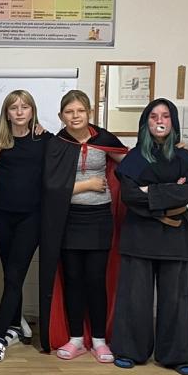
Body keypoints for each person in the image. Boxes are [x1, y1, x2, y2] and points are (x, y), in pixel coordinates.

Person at [111, 99, 188, 375]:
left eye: (165, 116)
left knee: (177, 299)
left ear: (173, 121)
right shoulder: (134, 158)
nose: (159, 121)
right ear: (145, 122)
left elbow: (187, 193)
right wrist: (167, 193)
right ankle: (129, 351)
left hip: (176, 236)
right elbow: (130, 196)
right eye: (153, 116)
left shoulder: (184, 157)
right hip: (139, 234)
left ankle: (179, 356)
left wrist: (149, 191)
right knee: (134, 297)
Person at [38, 91, 128, 361]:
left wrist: (170, 152)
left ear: (89, 112)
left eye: (80, 111)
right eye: (69, 112)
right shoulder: (57, 144)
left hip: (99, 219)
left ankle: (99, 340)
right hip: (68, 220)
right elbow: (51, 188)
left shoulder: (105, 139)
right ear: (61, 116)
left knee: (96, 280)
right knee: (74, 279)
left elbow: (132, 164)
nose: (75, 116)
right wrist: (87, 185)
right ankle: (76, 338)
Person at [0, 90, 47, 362]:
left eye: (25, 107)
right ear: (7, 113)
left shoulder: (44, 139)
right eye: (14, 108)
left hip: (31, 218)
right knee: (11, 275)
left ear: (32, 111)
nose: (20, 112)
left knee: (14, 275)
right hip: (2, 216)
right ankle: (13, 326)